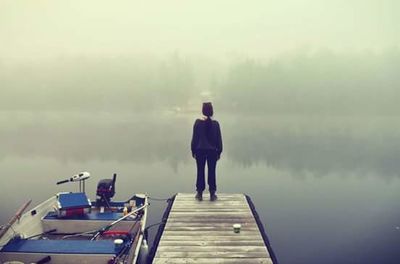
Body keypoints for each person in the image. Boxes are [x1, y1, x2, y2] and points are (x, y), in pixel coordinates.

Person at [191, 102, 223, 201]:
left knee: (200, 171)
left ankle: (199, 193)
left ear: (203, 111)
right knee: (212, 172)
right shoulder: (215, 124)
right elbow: (219, 140)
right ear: (212, 111)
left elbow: (194, 139)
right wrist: (219, 151)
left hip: (200, 151)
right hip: (212, 152)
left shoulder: (197, 123)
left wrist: (193, 150)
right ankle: (212, 194)